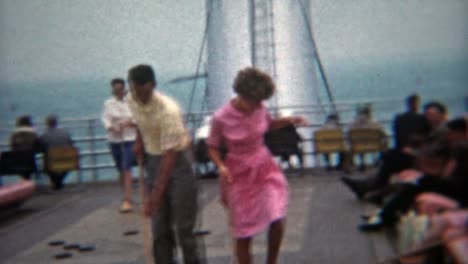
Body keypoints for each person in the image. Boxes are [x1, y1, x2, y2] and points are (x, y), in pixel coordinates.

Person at [207, 67, 306, 264]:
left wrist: (290, 121)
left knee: (276, 215)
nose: (258, 105)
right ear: (242, 95)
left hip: (264, 167)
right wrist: (221, 166)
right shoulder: (221, 117)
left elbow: (269, 123)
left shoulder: (259, 107)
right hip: (238, 172)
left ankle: (272, 261)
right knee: (244, 231)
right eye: (255, 101)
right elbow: (212, 146)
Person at [127, 64, 201, 264]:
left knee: (183, 227)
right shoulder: (131, 99)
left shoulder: (169, 111)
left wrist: (156, 195)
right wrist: (139, 141)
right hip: (152, 159)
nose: (139, 95)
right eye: (134, 89)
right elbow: (140, 121)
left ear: (152, 85)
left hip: (178, 163)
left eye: (143, 90)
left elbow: (170, 156)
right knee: (159, 227)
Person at [101, 78, 137, 213]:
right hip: (114, 140)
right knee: (120, 169)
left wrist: (128, 124)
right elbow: (105, 119)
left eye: (120, 89)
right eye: (115, 89)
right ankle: (126, 195)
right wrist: (111, 127)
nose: (118, 92)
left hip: (129, 138)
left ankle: (127, 200)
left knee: (126, 167)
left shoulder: (132, 102)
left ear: (124, 88)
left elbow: (137, 119)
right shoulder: (108, 104)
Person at [40, 115, 74, 190]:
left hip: (51, 162)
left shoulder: (44, 135)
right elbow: (71, 144)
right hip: (67, 161)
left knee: (47, 160)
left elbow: (41, 149)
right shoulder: (65, 133)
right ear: (56, 123)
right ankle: (58, 182)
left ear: (47, 124)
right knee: (64, 163)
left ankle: (56, 182)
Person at [348, 104, 385, 171]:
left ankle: (362, 162)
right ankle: (379, 160)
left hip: (357, 146)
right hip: (375, 145)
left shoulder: (353, 124)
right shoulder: (374, 123)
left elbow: (349, 135)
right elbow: (383, 134)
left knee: (358, 142)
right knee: (384, 143)